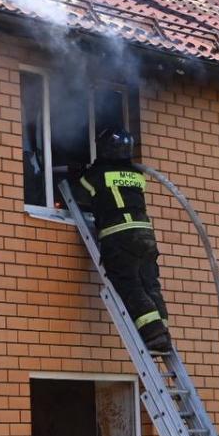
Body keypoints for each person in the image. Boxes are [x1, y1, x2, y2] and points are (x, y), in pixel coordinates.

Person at [73, 128, 173, 355]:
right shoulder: (137, 175)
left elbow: (79, 196)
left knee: (129, 283)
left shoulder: (96, 175)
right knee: (150, 283)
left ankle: (154, 334)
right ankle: (162, 331)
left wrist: (78, 174)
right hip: (146, 235)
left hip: (119, 235)